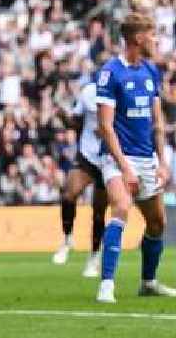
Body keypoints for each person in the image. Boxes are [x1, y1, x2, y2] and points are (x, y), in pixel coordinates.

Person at [94, 12, 176, 303]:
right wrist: (125, 168)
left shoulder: (151, 71)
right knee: (120, 207)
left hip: (147, 160)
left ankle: (148, 282)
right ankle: (106, 284)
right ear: (138, 38)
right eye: (152, 34)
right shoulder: (111, 73)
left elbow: (157, 123)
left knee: (157, 223)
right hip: (118, 157)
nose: (156, 40)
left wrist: (164, 160)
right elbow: (106, 127)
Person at [51, 74, 109, 278]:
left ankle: (94, 256)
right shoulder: (88, 92)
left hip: (108, 157)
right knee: (68, 195)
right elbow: (76, 122)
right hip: (86, 155)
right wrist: (62, 116)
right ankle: (67, 238)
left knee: (99, 212)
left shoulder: (120, 94)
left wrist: (109, 132)